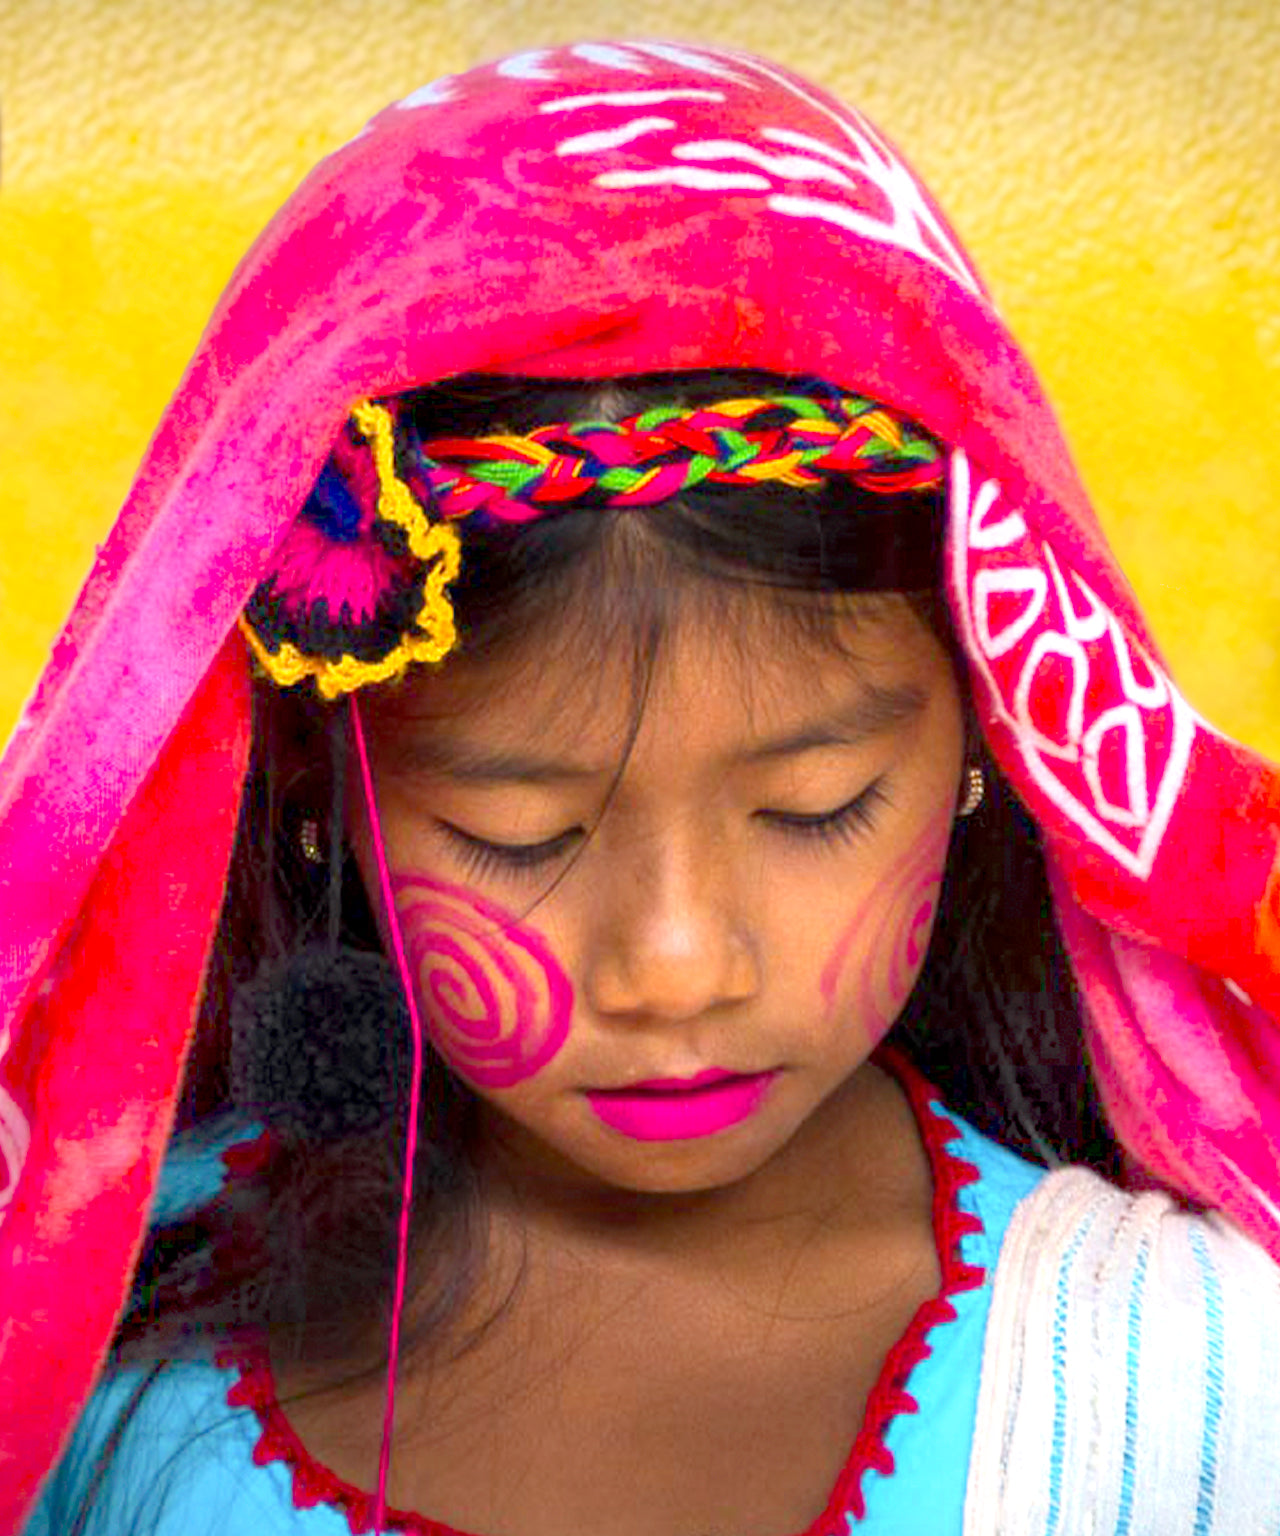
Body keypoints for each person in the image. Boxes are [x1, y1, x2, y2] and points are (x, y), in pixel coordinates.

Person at [5, 38, 1280, 1536]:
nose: (675, 965)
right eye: (520, 831)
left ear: (999, 735)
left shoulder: (1193, 1394)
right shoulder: (74, 1333)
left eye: (817, 807)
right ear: (317, 779)